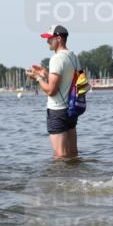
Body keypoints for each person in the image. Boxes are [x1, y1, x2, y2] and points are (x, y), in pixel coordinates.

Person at [27, 25, 79, 159]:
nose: (47, 41)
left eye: (50, 38)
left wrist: (38, 78)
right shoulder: (73, 56)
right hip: (71, 109)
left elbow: (51, 91)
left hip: (57, 111)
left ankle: (61, 174)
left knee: (60, 156)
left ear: (59, 38)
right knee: (73, 154)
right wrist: (45, 74)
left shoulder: (56, 58)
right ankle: (76, 173)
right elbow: (67, 80)